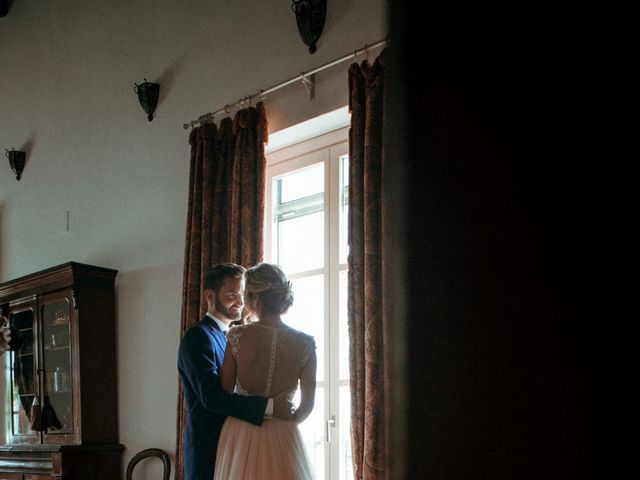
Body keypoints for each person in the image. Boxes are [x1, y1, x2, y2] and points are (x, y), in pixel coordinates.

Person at [177, 263, 293, 480]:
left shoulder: (235, 337)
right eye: (232, 294)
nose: (240, 301)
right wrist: (270, 406)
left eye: (242, 294)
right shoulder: (198, 337)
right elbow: (212, 398)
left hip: (238, 446)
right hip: (208, 449)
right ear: (210, 296)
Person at [213, 262, 317, 479]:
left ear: (255, 299)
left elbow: (224, 392)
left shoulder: (237, 336)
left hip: (241, 433)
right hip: (284, 436)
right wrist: (283, 425)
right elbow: (307, 406)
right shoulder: (305, 344)